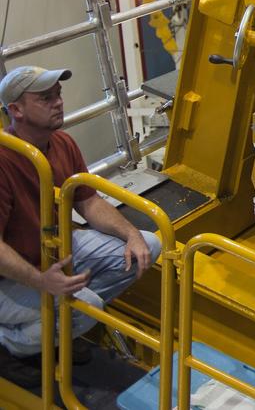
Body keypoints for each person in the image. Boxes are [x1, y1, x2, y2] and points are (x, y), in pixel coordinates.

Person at [0, 66, 161, 385]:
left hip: (47, 251)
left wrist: (131, 235)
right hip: (8, 276)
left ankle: (57, 328)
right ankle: (11, 346)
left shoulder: (61, 143)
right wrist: (41, 281)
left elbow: (88, 202)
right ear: (15, 110)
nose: (58, 102)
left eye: (58, 95)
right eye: (45, 98)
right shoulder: (4, 159)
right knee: (87, 307)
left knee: (150, 245)